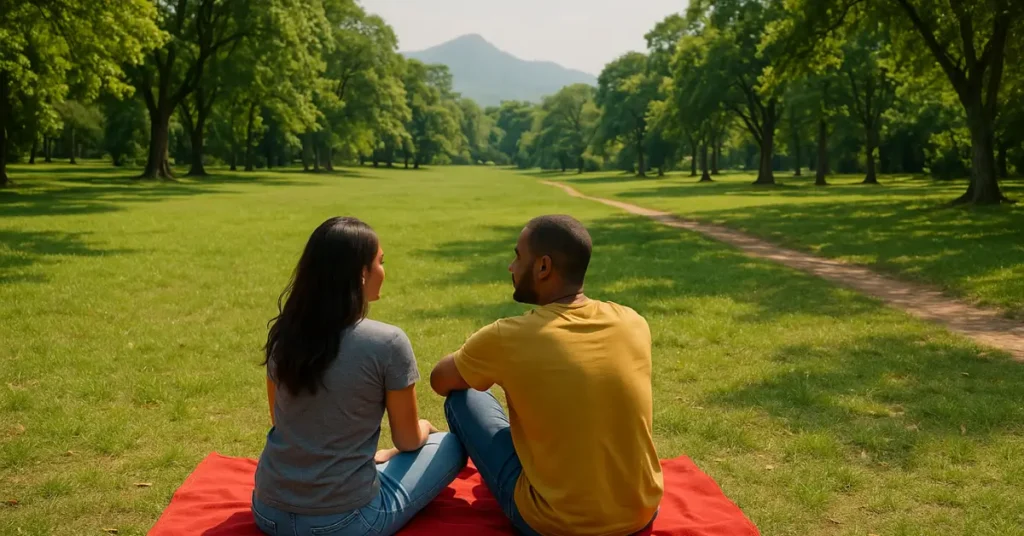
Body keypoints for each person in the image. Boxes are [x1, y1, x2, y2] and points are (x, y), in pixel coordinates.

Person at [430, 215, 664, 536]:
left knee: (464, 395)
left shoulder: (507, 336)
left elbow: (440, 380)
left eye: (517, 257)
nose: (511, 267)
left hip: (555, 525)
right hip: (640, 512)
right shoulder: (633, 321)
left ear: (543, 267)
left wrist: (475, 354)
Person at [252, 217, 466, 536]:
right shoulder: (387, 343)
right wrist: (425, 428)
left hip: (268, 511)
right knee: (448, 444)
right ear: (361, 273)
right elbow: (407, 439)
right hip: (344, 523)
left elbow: (282, 421)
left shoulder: (285, 336)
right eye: (380, 262)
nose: (383, 271)